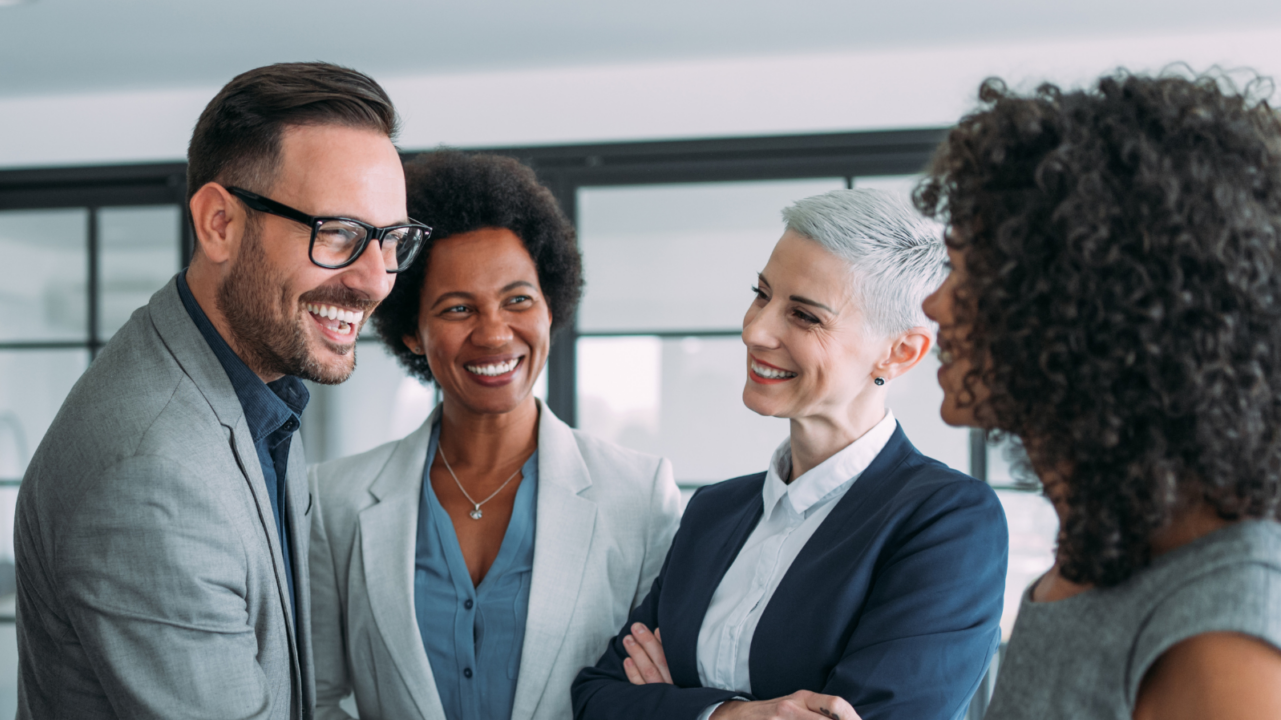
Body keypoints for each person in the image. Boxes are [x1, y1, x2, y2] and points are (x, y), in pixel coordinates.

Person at [12, 62, 420, 720]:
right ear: (220, 224)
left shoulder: (252, 382)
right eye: (339, 233)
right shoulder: (151, 474)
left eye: (392, 239)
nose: (376, 280)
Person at [917, 71, 1281, 719]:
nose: (934, 304)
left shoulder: (1220, 624)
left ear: (1080, 303)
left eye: (966, 268)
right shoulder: (1088, 561)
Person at [573, 188, 1009, 720]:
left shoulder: (947, 521)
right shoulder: (714, 512)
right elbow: (598, 698)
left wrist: (672, 704)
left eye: (804, 316)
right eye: (762, 294)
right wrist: (734, 716)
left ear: (899, 353)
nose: (755, 329)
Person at [308, 149, 682, 720]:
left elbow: (655, 696)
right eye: (459, 308)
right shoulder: (335, 502)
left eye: (518, 300)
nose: (494, 333)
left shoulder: (638, 494)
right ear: (411, 331)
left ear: (551, 308)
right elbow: (317, 697)